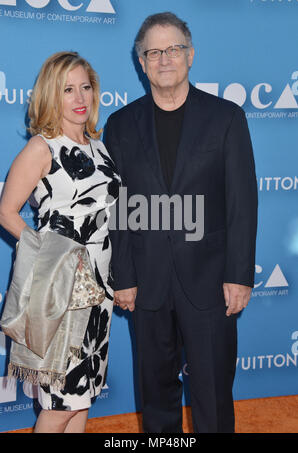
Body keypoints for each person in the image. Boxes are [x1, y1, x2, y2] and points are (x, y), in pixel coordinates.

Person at [105, 12, 258, 433]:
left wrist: (239, 275)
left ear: (190, 55)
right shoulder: (119, 125)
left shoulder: (227, 118)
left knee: (212, 393)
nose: (164, 59)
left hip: (211, 282)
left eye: (173, 49)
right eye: (153, 52)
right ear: (141, 62)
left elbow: (242, 203)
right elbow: (117, 207)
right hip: (147, 281)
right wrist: (123, 276)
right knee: (155, 396)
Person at [0, 51, 120, 433]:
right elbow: (7, 212)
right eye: (68, 89)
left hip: (101, 289)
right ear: (52, 96)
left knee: (82, 399)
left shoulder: (100, 148)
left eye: (85, 87)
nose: (80, 97)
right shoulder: (42, 147)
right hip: (60, 292)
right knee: (59, 404)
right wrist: (52, 253)